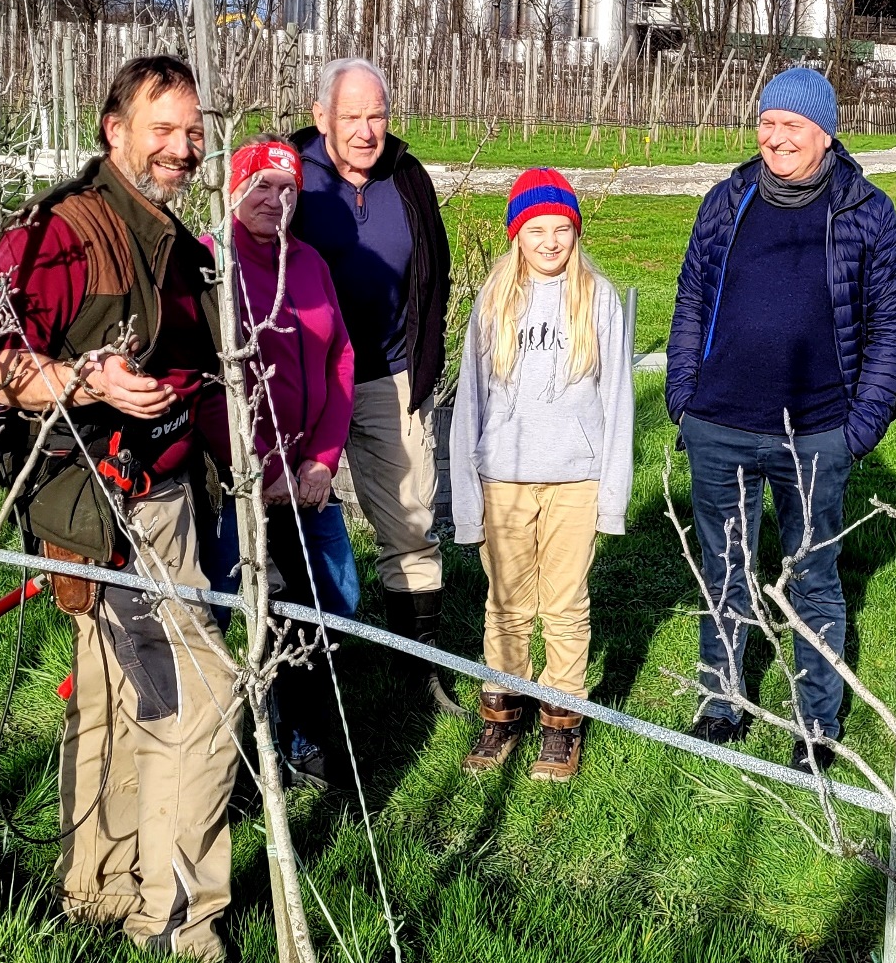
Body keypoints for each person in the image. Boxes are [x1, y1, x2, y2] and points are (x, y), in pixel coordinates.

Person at [0, 54, 237, 960]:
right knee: (203, 696)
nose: (183, 146)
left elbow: (202, 379)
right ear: (115, 129)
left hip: (164, 492)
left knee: (119, 694)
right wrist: (86, 380)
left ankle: (98, 889)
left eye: (194, 130)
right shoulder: (60, 233)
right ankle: (178, 922)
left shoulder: (178, 245)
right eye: (163, 128)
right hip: (106, 502)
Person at [666, 66, 896, 774]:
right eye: (767, 122)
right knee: (724, 569)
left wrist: (859, 428)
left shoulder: (866, 212)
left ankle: (815, 723)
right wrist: (684, 396)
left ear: (826, 134)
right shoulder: (728, 200)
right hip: (719, 422)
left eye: (793, 126)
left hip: (815, 432)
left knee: (811, 578)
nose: (776, 138)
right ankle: (721, 700)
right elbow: (691, 298)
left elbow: (892, 327)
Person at [448, 168, 635, 782]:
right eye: (536, 229)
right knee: (505, 603)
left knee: (564, 605)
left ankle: (561, 721)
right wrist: (467, 503)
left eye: (562, 228)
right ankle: (502, 712)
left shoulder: (597, 298)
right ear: (516, 234)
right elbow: (471, 404)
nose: (550, 241)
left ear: (576, 232)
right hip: (503, 479)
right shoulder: (494, 301)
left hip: (575, 481)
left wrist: (612, 496)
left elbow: (617, 401)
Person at [286, 57, 461, 713]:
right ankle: (299, 677)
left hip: (391, 376)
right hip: (305, 386)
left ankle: (418, 670)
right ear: (321, 117)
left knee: (412, 525)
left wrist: (425, 355)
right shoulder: (292, 176)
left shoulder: (406, 175)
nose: (366, 130)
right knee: (289, 527)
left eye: (377, 116)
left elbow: (435, 268)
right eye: (351, 116)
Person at [223, 137, 360, 793]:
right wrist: (259, 467)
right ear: (233, 189)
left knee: (337, 599)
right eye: (262, 185)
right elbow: (209, 385)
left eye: (288, 190)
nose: (275, 200)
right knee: (258, 611)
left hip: (308, 477)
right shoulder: (214, 264)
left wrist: (322, 460)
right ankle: (268, 744)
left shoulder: (308, 262)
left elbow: (340, 359)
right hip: (242, 482)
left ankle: (300, 722)